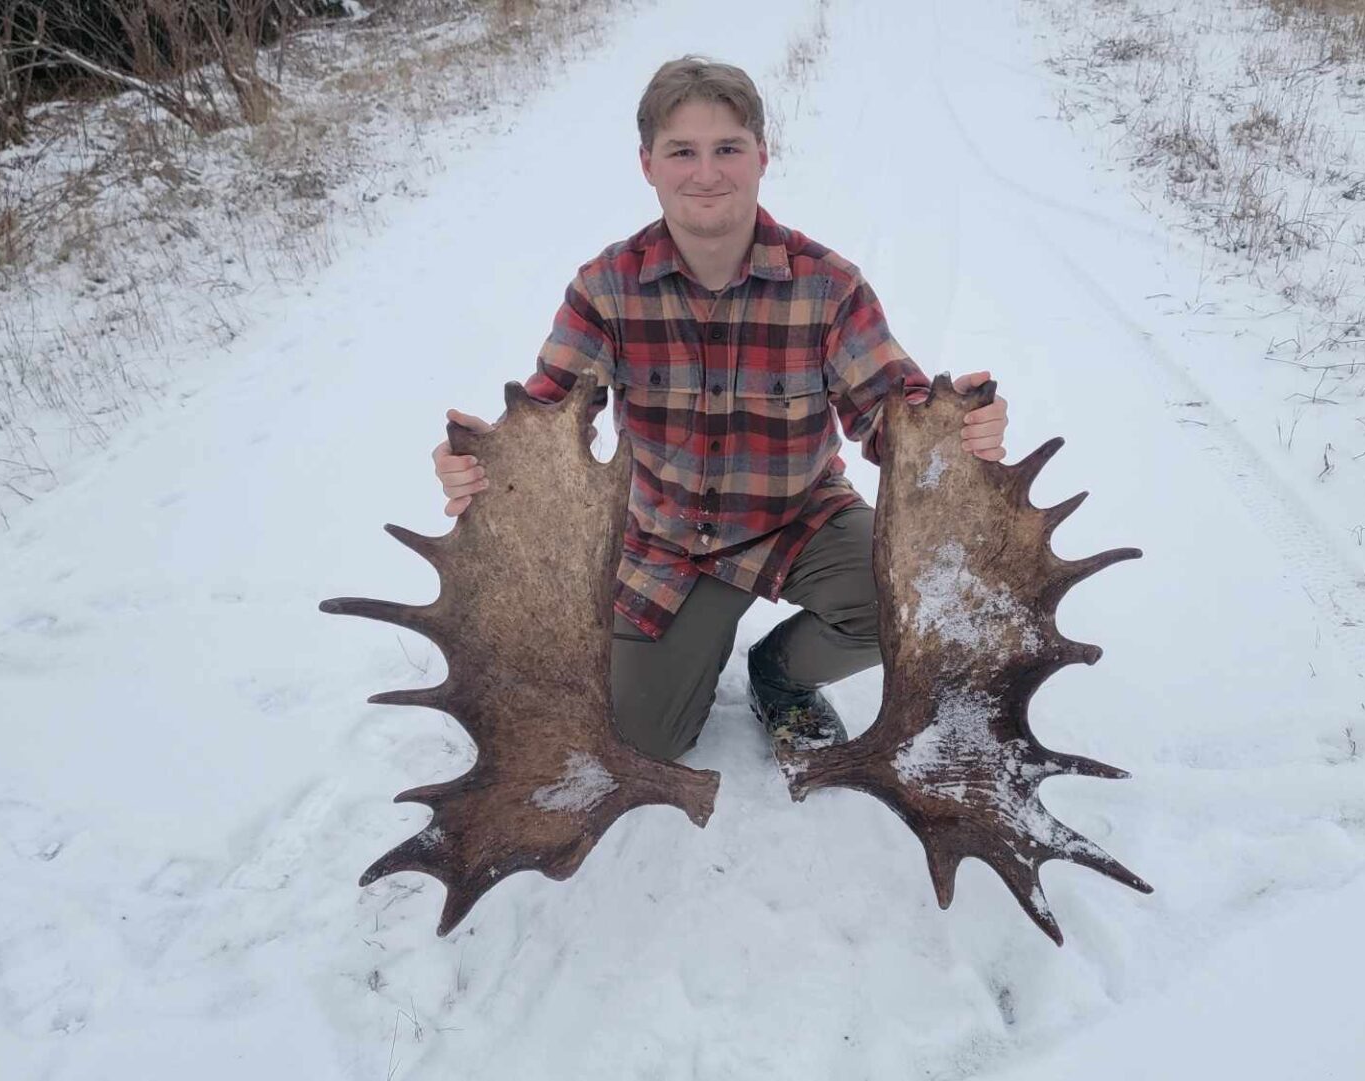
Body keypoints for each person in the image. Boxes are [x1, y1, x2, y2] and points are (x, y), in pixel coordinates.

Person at [431, 56, 1009, 762]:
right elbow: (548, 424)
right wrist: (481, 470)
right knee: (642, 740)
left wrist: (956, 433)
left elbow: (896, 414)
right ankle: (691, 650)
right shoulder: (605, 290)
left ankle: (779, 674)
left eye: (727, 148)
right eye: (682, 151)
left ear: (762, 155)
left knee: (910, 598)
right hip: (666, 542)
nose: (707, 173)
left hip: (798, 517)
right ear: (648, 164)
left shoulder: (828, 287)